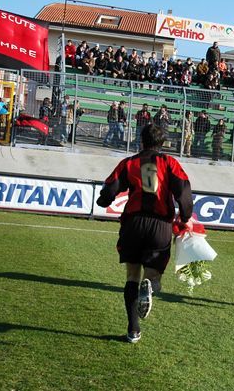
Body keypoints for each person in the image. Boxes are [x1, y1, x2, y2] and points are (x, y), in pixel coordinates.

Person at [96, 124, 194, 343]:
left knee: (132, 276)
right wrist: (186, 215)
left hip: (133, 223)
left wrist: (104, 199)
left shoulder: (129, 163)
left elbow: (110, 188)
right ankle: (149, 286)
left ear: (141, 141)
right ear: (162, 143)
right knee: (153, 276)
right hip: (160, 225)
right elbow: (183, 190)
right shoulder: (170, 163)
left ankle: (133, 330)